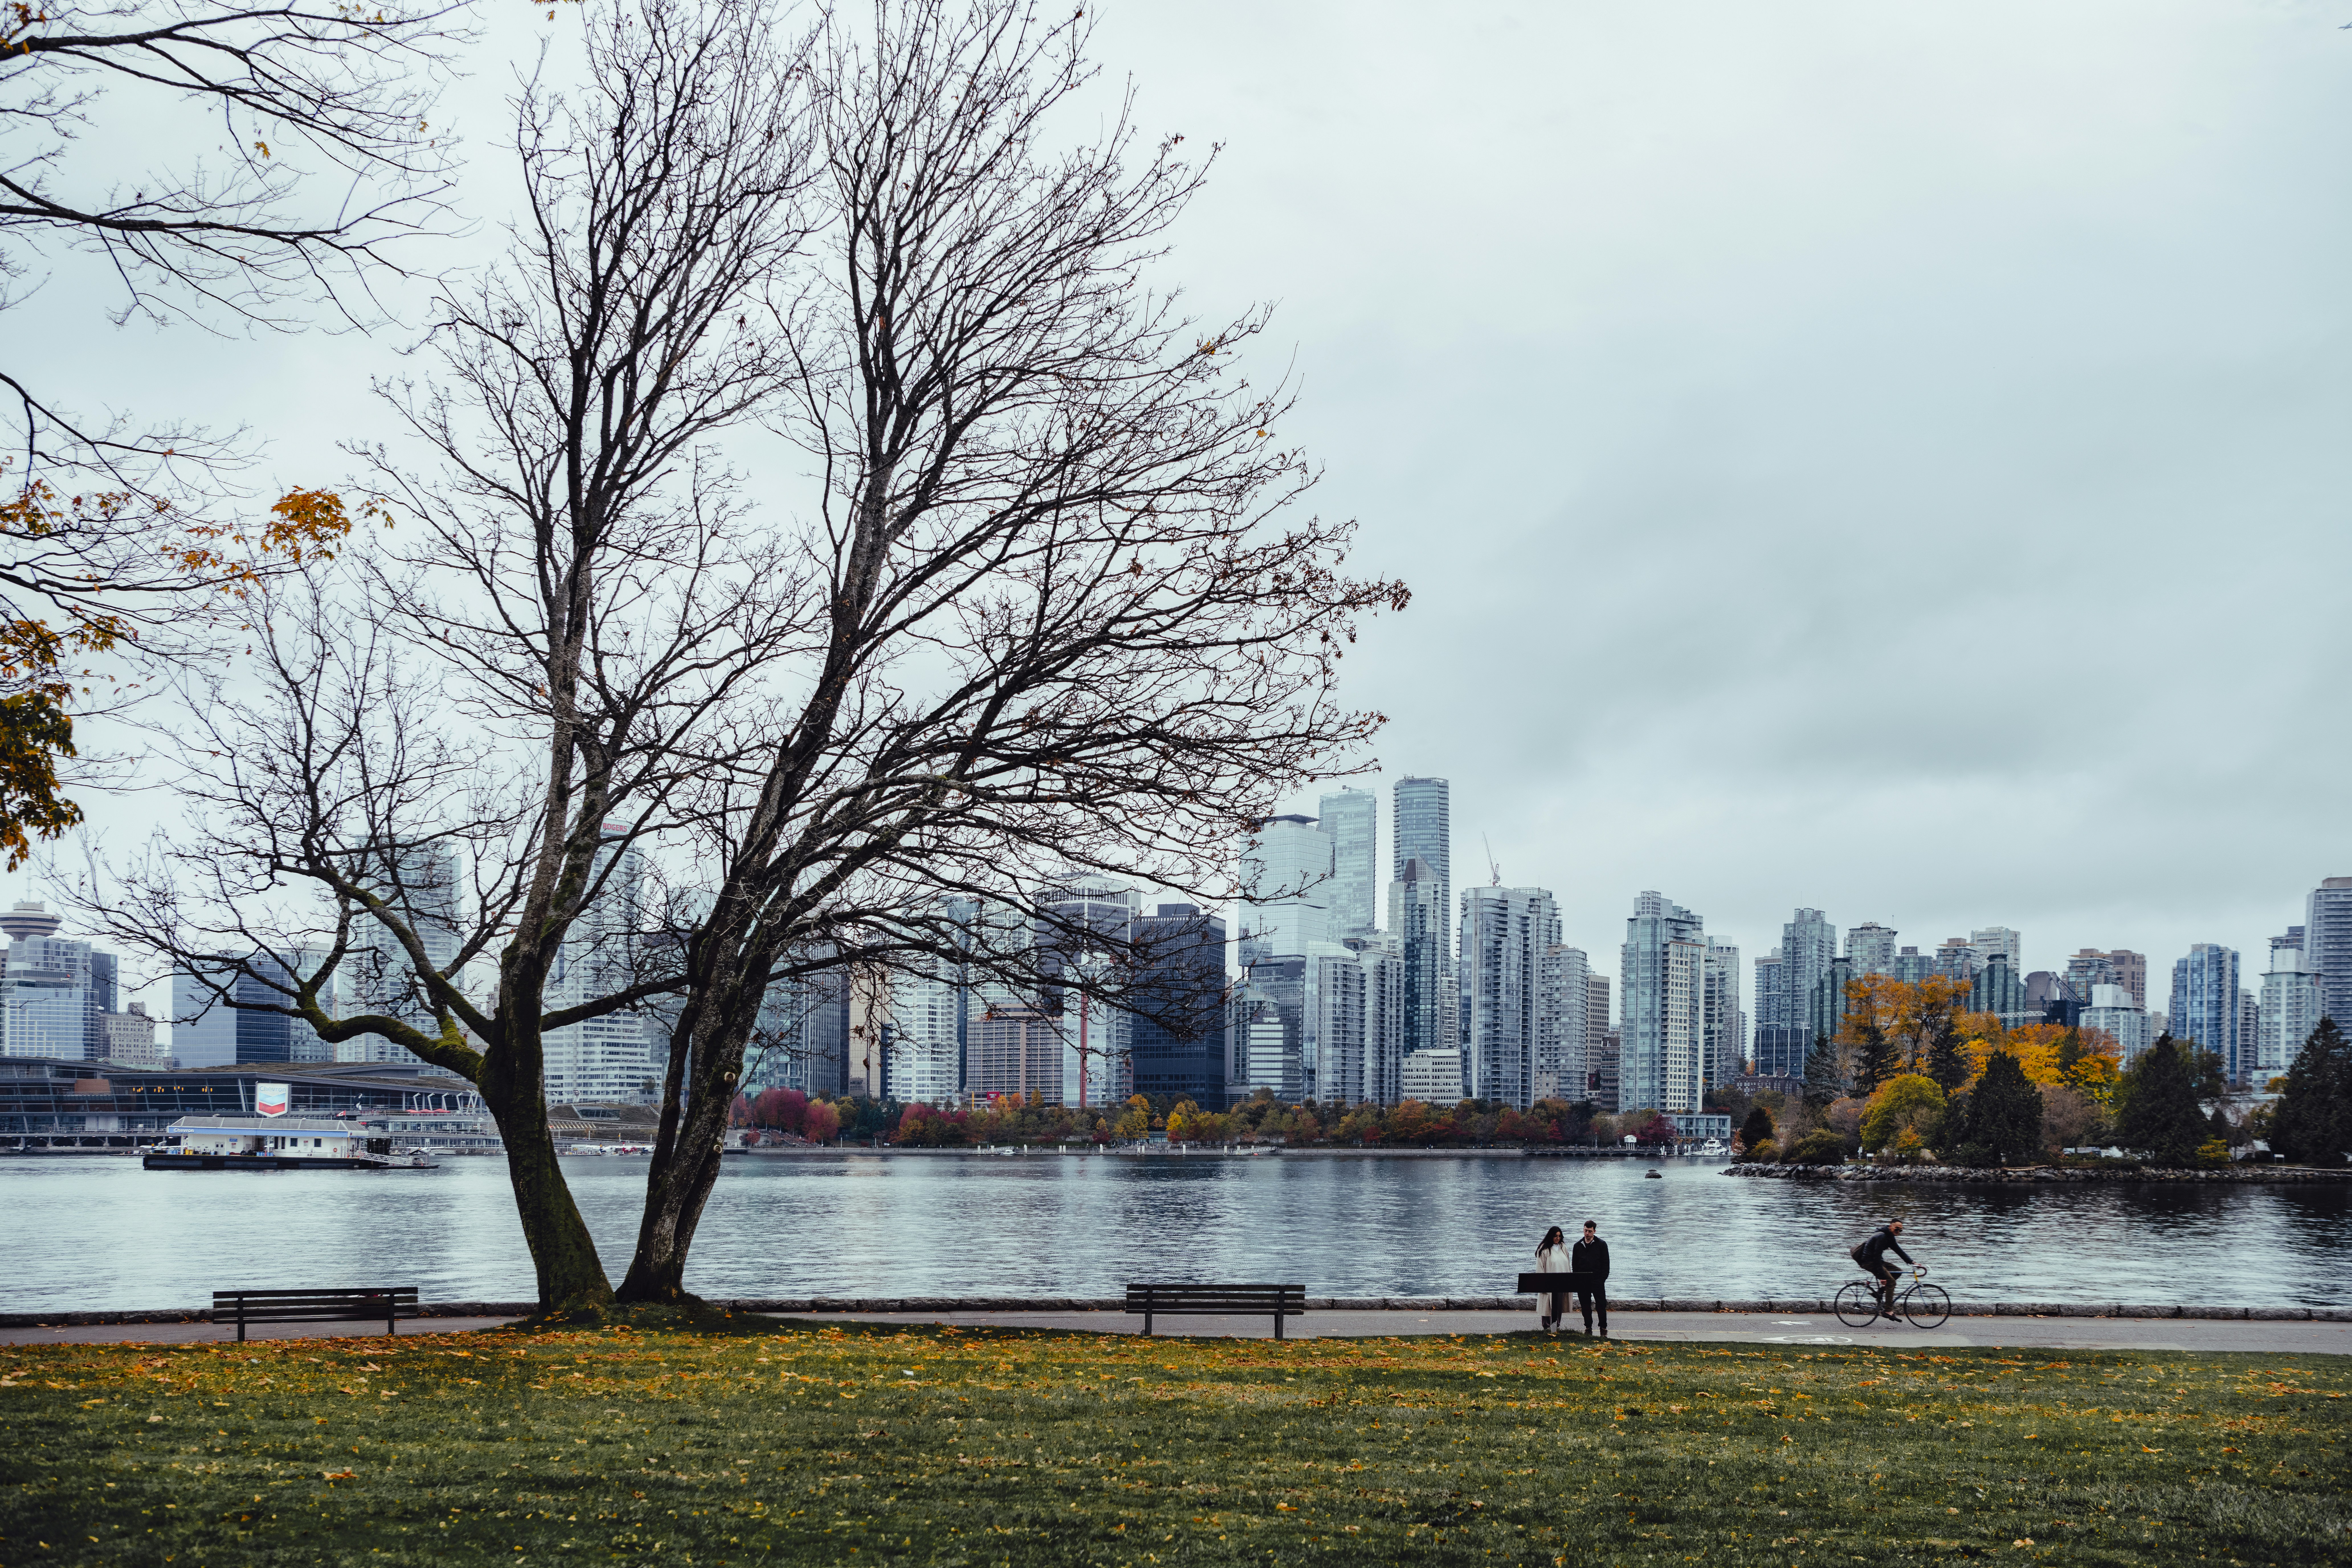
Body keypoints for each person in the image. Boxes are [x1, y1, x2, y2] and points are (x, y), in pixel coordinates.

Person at [1850, 1219, 1914, 1311]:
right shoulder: (1882, 1237)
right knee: (1892, 1282)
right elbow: (1877, 1256)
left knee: (1898, 1272)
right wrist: (1882, 1277)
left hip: (1877, 1261)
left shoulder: (1890, 1237)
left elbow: (1899, 1251)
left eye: (1901, 1230)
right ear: (1891, 1227)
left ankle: (1879, 1292)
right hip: (1869, 1262)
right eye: (1897, 1229)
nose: (1899, 1232)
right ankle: (1888, 1311)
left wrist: (1912, 1262)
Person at [1570, 1219, 1610, 1337]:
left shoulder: (1602, 1245)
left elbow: (1606, 1264)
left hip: (1598, 1281)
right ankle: (1588, 1328)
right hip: (1583, 1281)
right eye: (1586, 1231)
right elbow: (1575, 1265)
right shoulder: (1578, 1246)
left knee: (1601, 1305)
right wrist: (1578, 1279)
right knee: (1586, 1306)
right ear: (1583, 1230)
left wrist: (1602, 1279)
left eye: (1590, 1231)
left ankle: (1603, 1328)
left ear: (1594, 1231)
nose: (1587, 1234)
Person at [1533, 1225, 1572, 1332]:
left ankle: (1556, 1325)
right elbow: (1540, 1268)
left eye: (1559, 1236)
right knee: (1547, 1304)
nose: (1558, 1238)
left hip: (1562, 1282)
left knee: (1559, 1304)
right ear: (1551, 1236)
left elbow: (1568, 1264)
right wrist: (1542, 1283)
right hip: (1549, 1282)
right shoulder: (1544, 1249)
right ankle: (1547, 1326)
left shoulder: (1563, 1247)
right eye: (1555, 1236)